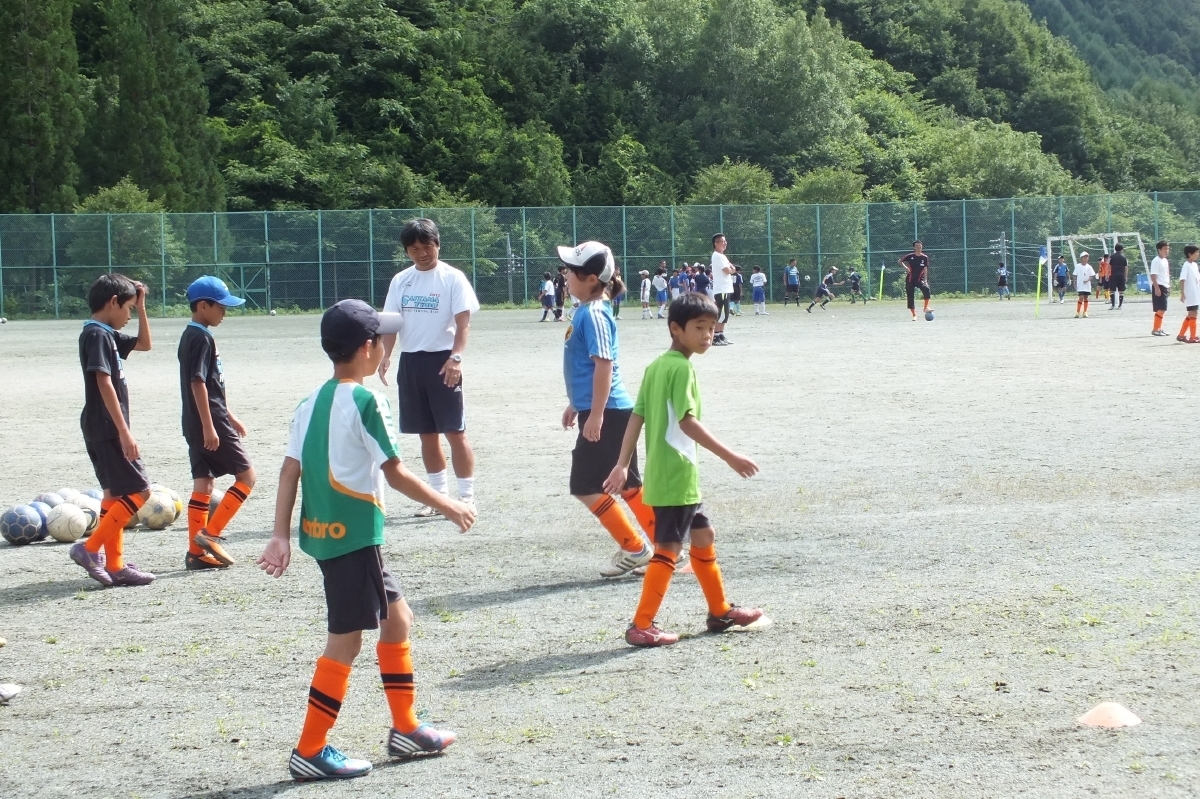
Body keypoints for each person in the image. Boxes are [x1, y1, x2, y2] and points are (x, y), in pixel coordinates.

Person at [258, 299, 475, 782]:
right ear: (367, 347)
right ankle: (309, 750)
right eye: (381, 339)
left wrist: (280, 535)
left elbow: (290, 470)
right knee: (346, 642)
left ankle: (406, 727)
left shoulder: (308, 402)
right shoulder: (366, 400)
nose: (384, 346)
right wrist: (449, 505)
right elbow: (395, 473)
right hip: (353, 538)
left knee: (397, 618)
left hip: (330, 535)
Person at [602, 293, 765, 647]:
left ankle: (719, 611)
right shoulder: (681, 368)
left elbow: (637, 417)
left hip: (673, 476)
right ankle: (641, 625)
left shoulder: (657, 366)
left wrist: (622, 464)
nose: (707, 335)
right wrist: (730, 456)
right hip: (675, 476)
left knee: (704, 536)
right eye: (699, 327)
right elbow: (686, 422)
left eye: (712, 327)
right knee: (669, 549)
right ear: (676, 329)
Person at [557, 241, 657, 578]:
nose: (566, 275)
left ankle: (636, 548)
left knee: (585, 485)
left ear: (590, 279)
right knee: (627, 485)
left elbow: (604, 365)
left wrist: (596, 414)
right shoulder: (587, 310)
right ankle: (665, 549)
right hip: (607, 410)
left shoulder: (594, 313)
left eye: (571, 271)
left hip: (609, 413)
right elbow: (588, 368)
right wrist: (577, 404)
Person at [378, 218, 481, 517]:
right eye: (414, 249)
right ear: (406, 251)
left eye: (427, 246)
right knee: (426, 434)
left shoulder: (453, 278)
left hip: (443, 362)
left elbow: (463, 323)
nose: (422, 253)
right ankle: (438, 499)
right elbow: (392, 323)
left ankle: (467, 498)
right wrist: (385, 355)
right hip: (411, 362)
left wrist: (456, 357)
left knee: (455, 432)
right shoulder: (401, 280)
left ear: (437, 245)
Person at [69, 274, 156, 587]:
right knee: (141, 491)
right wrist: (123, 431)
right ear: (113, 302)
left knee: (114, 495)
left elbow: (145, 344)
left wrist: (142, 307)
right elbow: (103, 381)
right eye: (129, 308)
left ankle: (116, 565)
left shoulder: (105, 333)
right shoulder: (97, 335)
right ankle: (89, 548)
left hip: (99, 425)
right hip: (107, 427)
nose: (130, 315)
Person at [178, 276, 256, 572]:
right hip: (208, 420)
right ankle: (209, 535)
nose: (224, 312)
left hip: (196, 420)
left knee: (204, 482)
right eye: (221, 307)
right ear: (203, 306)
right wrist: (211, 426)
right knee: (247, 477)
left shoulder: (191, 334)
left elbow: (211, 385)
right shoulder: (201, 338)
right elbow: (198, 383)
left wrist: (229, 414)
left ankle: (195, 554)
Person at [710, 234, 736, 345]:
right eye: (722, 241)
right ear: (716, 244)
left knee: (725, 314)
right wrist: (731, 269)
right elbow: (728, 270)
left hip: (726, 288)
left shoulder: (722, 256)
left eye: (725, 241)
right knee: (721, 313)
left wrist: (732, 269)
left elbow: (733, 268)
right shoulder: (717, 256)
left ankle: (720, 335)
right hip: (721, 289)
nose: (725, 243)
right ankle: (715, 337)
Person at [899, 241, 932, 321]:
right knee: (910, 297)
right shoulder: (910, 256)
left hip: (919, 279)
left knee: (926, 289)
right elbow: (900, 261)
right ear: (914, 247)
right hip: (910, 279)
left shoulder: (924, 257)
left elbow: (925, 269)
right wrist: (906, 268)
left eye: (920, 246)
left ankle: (925, 308)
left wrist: (925, 280)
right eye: (917, 246)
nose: (919, 247)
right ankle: (914, 315)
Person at [1177, 244, 1200, 343]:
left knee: (1191, 314)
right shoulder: (1186, 265)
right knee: (1193, 313)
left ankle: (1181, 335)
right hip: (1190, 294)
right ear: (1190, 254)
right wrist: (1182, 293)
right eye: (1196, 252)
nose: (1198, 254)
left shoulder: (1194, 265)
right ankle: (1192, 336)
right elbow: (1182, 280)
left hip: (1196, 293)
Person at [1150, 240, 1171, 336]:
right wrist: (1157, 288)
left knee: (1163, 309)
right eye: (1165, 249)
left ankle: (1159, 328)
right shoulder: (1156, 261)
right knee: (1161, 309)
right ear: (1159, 250)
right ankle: (1155, 329)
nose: (1167, 251)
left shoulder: (1165, 260)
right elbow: (1153, 275)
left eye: (1168, 248)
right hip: (1159, 286)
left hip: (1165, 286)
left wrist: (1169, 285)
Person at [1073, 251, 1096, 318]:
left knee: (1086, 297)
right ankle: (1077, 312)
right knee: (1081, 297)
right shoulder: (1078, 266)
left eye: (1087, 257)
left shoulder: (1089, 267)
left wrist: (1088, 280)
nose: (1086, 258)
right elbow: (1074, 275)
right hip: (1080, 285)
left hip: (1087, 285)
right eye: (1084, 257)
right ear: (1081, 258)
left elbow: (1092, 275)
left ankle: (1085, 312)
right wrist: (1074, 282)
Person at [1109, 243, 1129, 309]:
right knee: (1121, 291)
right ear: (1122, 249)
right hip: (1121, 275)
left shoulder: (1111, 257)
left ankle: (1113, 305)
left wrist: (1107, 274)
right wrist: (1125, 276)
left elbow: (1109, 266)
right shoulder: (1124, 258)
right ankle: (1120, 305)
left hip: (1113, 275)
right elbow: (1126, 267)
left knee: (1112, 290)